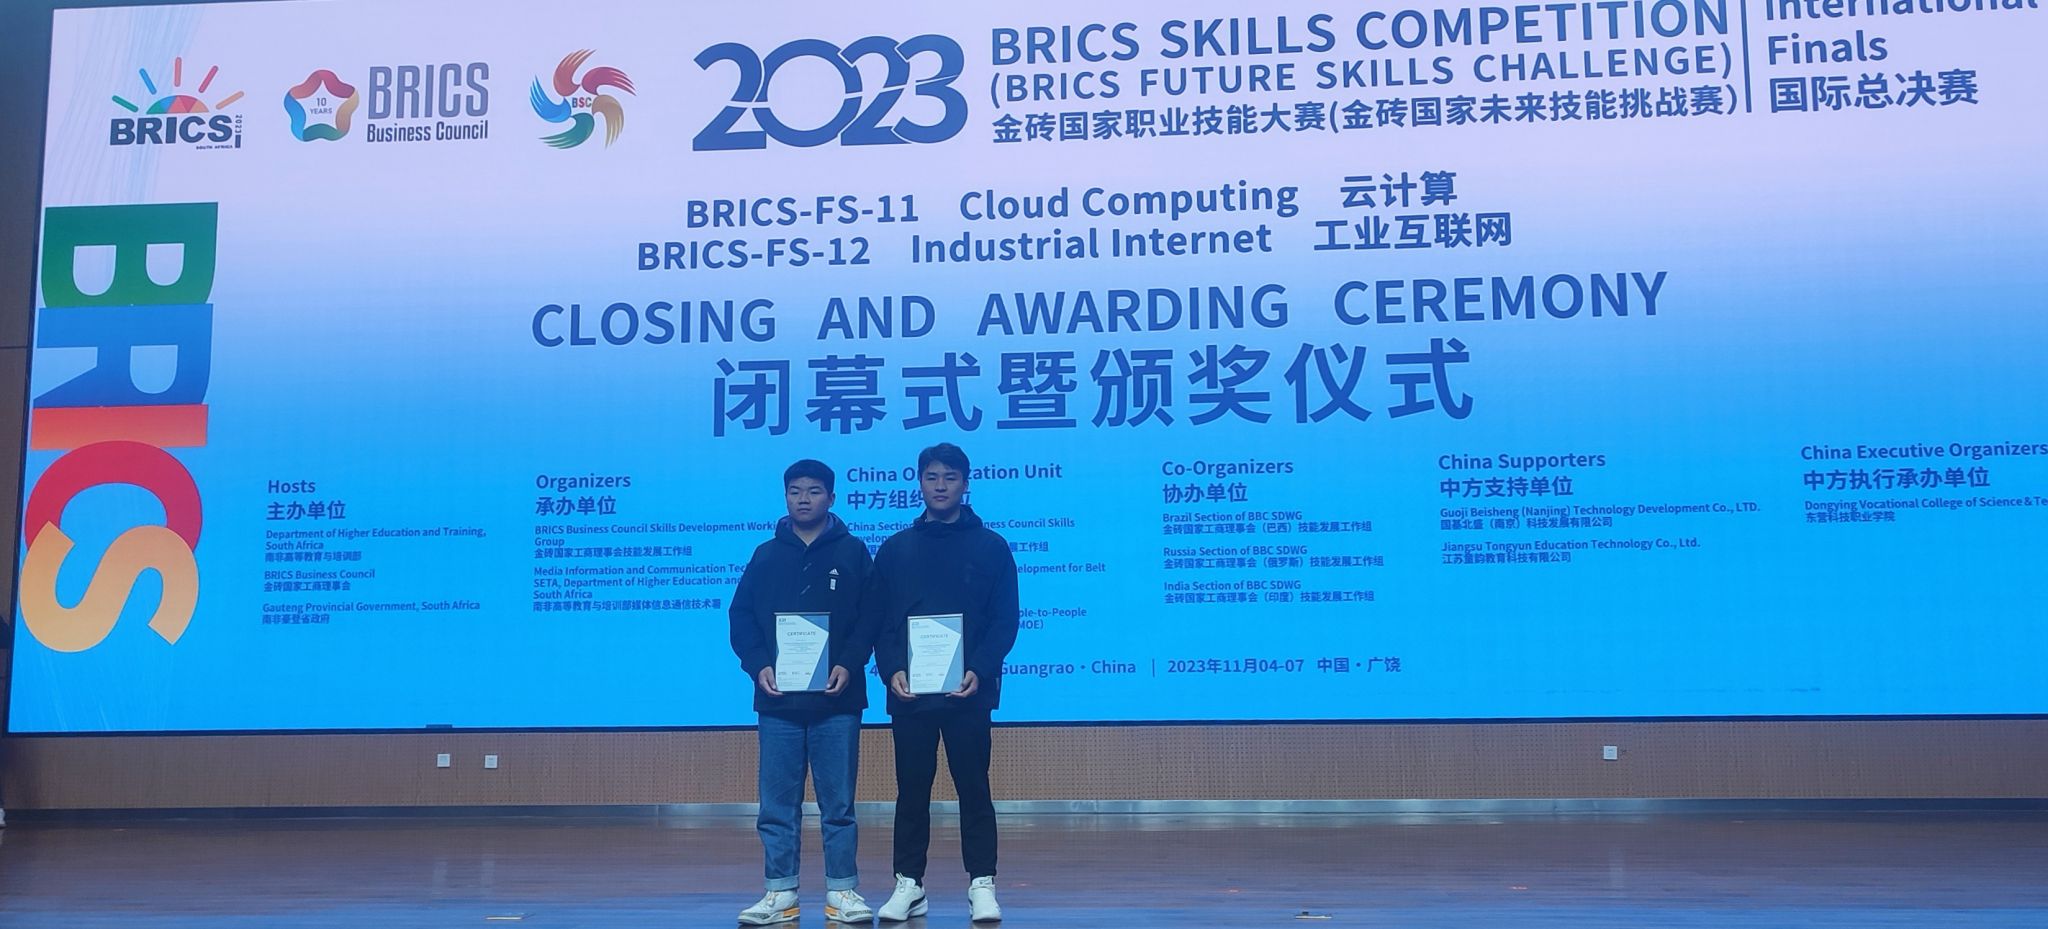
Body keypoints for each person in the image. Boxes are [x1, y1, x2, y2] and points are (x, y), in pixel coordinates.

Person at [870, 443, 1021, 923]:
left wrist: (981, 668)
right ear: (919, 482)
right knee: (911, 790)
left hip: (969, 692)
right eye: (932, 477)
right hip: (910, 693)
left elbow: (1005, 620)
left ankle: (982, 883)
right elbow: (880, 620)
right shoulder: (895, 549)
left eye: (950, 477)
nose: (940, 486)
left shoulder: (992, 546)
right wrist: (891, 668)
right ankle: (909, 883)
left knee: (974, 788)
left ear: (965, 484)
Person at [727, 459, 876, 925]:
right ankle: (780, 893)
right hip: (778, 703)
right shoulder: (765, 555)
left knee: (839, 806)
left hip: (838, 701)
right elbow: (740, 618)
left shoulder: (853, 552)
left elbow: (871, 617)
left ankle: (842, 891)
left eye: (814, 490)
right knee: (777, 807)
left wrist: (849, 664)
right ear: (785, 497)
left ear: (832, 497)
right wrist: (759, 666)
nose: (804, 498)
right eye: (795, 491)